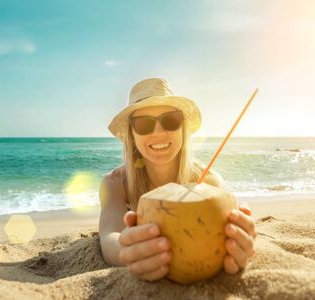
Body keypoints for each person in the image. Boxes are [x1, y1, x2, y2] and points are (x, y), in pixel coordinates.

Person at [99, 78, 257, 282]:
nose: (158, 133)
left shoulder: (209, 182)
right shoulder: (115, 184)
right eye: (144, 123)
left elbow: (231, 233)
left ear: (183, 127)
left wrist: (239, 240)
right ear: (132, 134)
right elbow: (108, 236)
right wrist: (128, 250)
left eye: (170, 120)